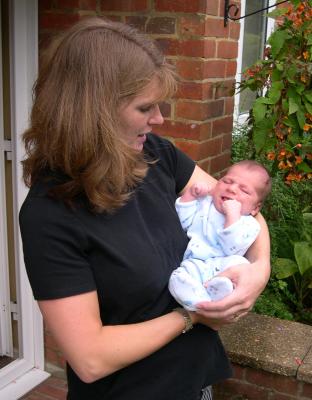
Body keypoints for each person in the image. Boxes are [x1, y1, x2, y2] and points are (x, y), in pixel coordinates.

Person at [19, 17, 271, 400]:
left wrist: (260, 269)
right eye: (145, 108)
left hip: (195, 380)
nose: (160, 119)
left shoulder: (155, 155)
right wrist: (189, 316)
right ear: (95, 113)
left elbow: (237, 200)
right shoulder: (50, 215)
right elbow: (90, 358)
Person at [169, 160, 272, 311]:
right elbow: (183, 222)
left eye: (244, 190)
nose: (231, 189)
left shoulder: (249, 225)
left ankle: (220, 290)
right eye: (227, 181)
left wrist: (232, 216)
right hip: (196, 261)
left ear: (255, 208)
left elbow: (231, 248)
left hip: (225, 266)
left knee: (241, 265)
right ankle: (199, 302)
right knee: (177, 278)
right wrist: (190, 196)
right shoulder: (204, 204)